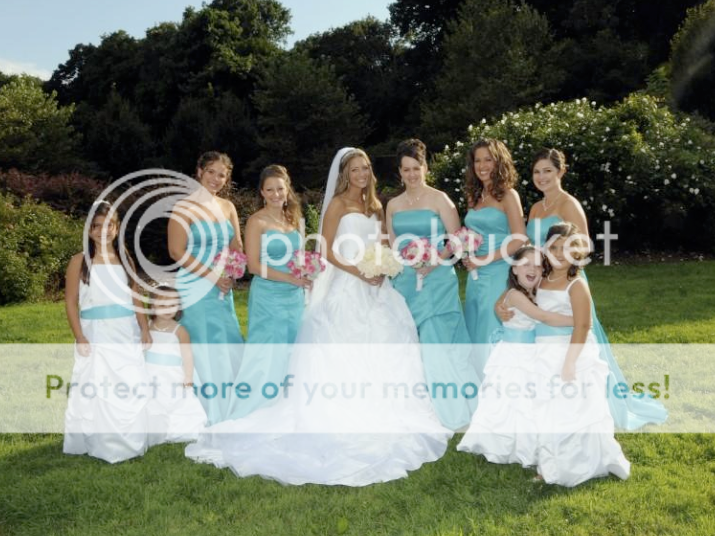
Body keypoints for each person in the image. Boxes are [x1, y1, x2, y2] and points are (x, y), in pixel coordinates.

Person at [185, 148, 451, 486]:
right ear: (345, 174)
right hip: (347, 282)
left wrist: (382, 266)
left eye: (365, 168)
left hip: (377, 286)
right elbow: (326, 249)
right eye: (354, 170)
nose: (361, 174)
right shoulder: (337, 204)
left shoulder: (376, 205)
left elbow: (383, 242)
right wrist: (358, 271)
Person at [505, 147, 667, 430]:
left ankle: (591, 402)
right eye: (537, 172)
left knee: (579, 332)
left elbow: (583, 246)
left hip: (567, 280)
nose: (542, 177)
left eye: (548, 171)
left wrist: (563, 277)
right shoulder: (536, 207)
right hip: (544, 281)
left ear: (561, 172)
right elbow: (534, 247)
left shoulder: (569, 204)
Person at [386, 138, 477, 431]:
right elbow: (392, 244)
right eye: (406, 169)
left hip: (437, 279)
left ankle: (450, 409)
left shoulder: (440, 199)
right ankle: (419, 404)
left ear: (425, 167)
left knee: (437, 339)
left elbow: (458, 238)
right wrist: (394, 264)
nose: (412, 174)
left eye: (417, 168)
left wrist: (433, 260)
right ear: (399, 172)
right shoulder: (393, 205)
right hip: (405, 281)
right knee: (412, 341)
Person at [531, 222, 630, 486]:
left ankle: (579, 461)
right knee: (548, 409)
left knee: (572, 409)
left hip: (570, 352)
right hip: (544, 353)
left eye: (566, 248)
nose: (560, 253)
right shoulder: (541, 279)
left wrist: (570, 362)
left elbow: (583, 325)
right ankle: (549, 463)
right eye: (554, 247)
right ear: (545, 249)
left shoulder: (575, 285)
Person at [457, 245, 573, 467]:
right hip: (514, 356)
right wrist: (576, 320)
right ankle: (505, 442)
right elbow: (542, 316)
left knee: (528, 400)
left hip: (531, 352)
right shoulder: (516, 295)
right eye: (526, 264)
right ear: (514, 269)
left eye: (538, 266)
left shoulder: (533, 291)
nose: (532, 269)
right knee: (513, 399)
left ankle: (529, 439)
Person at [63, 201, 150, 463]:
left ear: (117, 227)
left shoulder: (125, 260)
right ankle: (101, 442)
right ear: (89, 230)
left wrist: (144, 328)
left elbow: (136, 297)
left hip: (125, 330)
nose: (103, 231)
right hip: (96, 333)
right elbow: (71, 302)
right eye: (97, 226)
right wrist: (80, 336)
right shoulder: (79, 261)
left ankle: (129, 439)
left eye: (109, 225)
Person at [226, 165, 308, 419]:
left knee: (292, 351)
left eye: (280, 189)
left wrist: (307, 271)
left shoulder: (294, 219)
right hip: (268, 297)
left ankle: (286, 407)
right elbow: (253, 265)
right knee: (266, 353)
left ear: (287, 189)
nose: (276, 194)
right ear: (262, 192)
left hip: (295, 298)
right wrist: (290, 278)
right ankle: (257, 408)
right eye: (269, 190)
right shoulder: (256, 221)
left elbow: (298, 256)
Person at [168, 151, 244, 425]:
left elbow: (236, 247)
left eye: (222, 175)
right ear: (199, 171)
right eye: (211, 171)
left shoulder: (228, 207)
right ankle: (201, 409)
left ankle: (231, 403)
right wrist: (212, 276)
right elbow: (176, 251)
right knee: (201, 341)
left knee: (226, 337)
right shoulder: (183, 207)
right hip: (194, 285)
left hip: (223, 287)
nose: (216, 178)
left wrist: (232, 272)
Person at [462, 139, 526, 379]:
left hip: (499, 270)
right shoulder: (474, 196)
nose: (482, 166)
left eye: (488, 159)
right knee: (475, 326)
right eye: (477, 161)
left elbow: (520, 238)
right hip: (476, 274)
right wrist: (467, 251)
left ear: (499, 162)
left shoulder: (508, 195)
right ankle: (479, 384)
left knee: (491, 326)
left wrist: (485, 259)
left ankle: (498, 385)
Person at [145, 286, 207, 446]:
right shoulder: (147, 326)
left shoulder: (180, 331)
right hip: (150, 372)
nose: (167, 309)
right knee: (152, 400)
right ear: (152, 306)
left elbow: (187, 355)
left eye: (172, 305)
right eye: (162, 305)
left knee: (174, 401)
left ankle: (175, 426)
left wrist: (188, 376)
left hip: (172, 374)